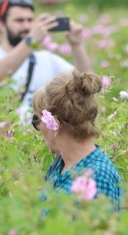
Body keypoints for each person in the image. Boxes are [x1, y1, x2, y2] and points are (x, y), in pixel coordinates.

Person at [0, 0, 92, 117]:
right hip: (1, 133)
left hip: (37, 134)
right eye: (19, 20)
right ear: (1, 24)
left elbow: (85, 82)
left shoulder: (46, 59)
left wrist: (76, 45)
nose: (26, 27)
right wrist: (32, 40)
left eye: (30, 20)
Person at [31, 70, 122, 209]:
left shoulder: (98, 177)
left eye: (37, 119)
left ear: (54, 124)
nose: (38, 127)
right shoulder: (60, 165)